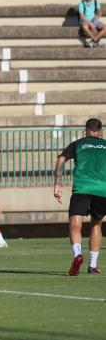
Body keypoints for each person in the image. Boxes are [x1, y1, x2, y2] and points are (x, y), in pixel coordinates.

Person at [53, 118, 106, 275]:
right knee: (96, 225)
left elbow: (61, 159)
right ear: (100, 132)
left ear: (86, 130)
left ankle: (77, 255)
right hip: (102, 190)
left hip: (82, 189)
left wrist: (57, 184)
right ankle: (93, 265)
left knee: (75, 225)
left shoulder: (78, 143)